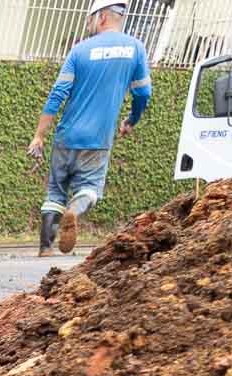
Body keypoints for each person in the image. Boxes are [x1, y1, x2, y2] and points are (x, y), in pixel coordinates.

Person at [26, 0, 153, 257]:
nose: (88, 25)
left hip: (66, 136)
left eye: (89, 20)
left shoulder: (79, 51)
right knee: (90, 189)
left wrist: (39, 135)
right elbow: (143, 93)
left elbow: (57, 94)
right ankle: (75, 209)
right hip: (98, 140)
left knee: (54, 193)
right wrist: (131, 120)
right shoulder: (136, 49)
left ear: (103, 17)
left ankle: (45, 248)